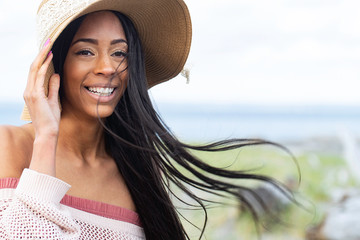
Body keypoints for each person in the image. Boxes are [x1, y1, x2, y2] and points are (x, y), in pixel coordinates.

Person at [0, 0, 296, 239]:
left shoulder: (136, 165)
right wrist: (46, 138)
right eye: (86, 51)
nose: (107, 67)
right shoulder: (10, 147)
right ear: (53, 65)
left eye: (120, 52)